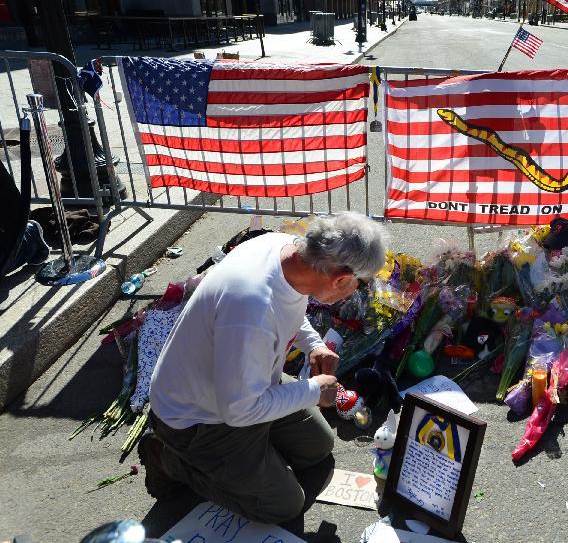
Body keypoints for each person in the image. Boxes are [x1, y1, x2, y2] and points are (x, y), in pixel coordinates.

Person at [140, 212, 388, 532]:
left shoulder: (286, 251)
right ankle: (169, 458)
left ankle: (249, 456)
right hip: (197, 417)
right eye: (360, 284)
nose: (355, 293)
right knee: (282, 504)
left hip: (241, 389)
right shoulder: (251, 308)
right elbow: (241, 410)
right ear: (340, 279)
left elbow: (289, 307)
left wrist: (314, 344)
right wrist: (314, 391)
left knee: (318, 448)